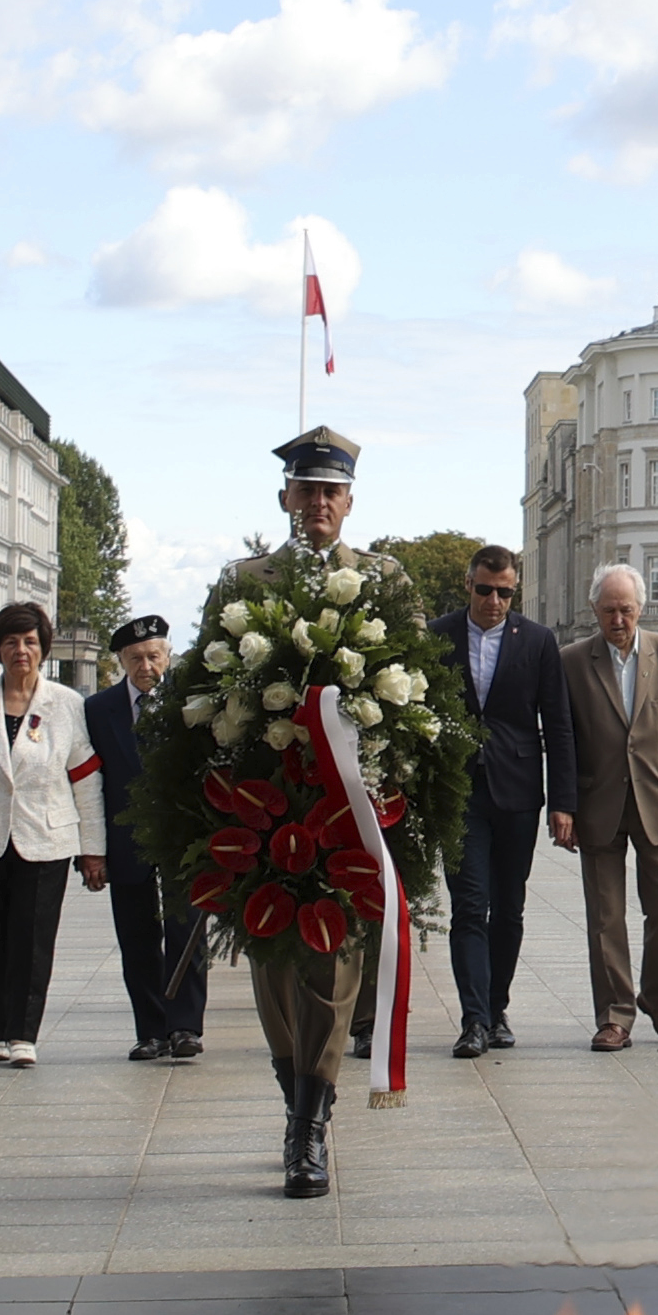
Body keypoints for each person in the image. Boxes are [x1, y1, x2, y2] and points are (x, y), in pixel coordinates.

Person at [238, 425, 396, 1195]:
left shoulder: (382, 581)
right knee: (272, 962)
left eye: (332, 491)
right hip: (266, 805)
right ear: (285, 497)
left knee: (335, 963)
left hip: (346, 809)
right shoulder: (246, 580)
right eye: (307, 490)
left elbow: (409, 686)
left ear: (350, 502)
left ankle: (309, 1123)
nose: (319, 503)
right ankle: (294, 1094)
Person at [0, 599, 105, 1066]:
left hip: (45, 839)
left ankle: (23, 1034)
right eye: (11, 642)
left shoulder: (66, 704)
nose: (21, 651)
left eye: (30, 642)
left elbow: (86, 780)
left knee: (32, 941)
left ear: (44, 648)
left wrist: (93, 850)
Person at [554, 560, 658, 1050]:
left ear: (641, 608)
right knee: (605, 917)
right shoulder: (572, 661)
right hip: (597, 804)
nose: (619, 620)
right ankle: (615, 1015)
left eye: (627, 610)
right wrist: (563, 807)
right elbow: (563, 741)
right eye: (609, 610)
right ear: (594, 609)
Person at [432, 543, 559, 1058]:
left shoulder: (538, 641)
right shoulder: (438, 637)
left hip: (517, 791)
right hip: (459, 790)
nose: (494, 602)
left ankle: (496, 1007)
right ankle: (474, 1020)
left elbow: (559, 724)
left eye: (505, 593)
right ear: (469, 585)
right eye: (485, 590)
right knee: (468, 905)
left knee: (508, 908)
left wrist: (563, 802)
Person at [86, 612, 207, 1062]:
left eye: (154, 656)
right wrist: (92, 851)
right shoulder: (98, 710)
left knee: (186, 929)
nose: (146, 666)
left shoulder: (192, 703)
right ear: (121, 660)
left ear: (167, 656)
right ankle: (151, 1030)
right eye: (136, 658)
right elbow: (90, 783)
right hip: (127, 837)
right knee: (137, 936)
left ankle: (185, 1026)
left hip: (183, 835)